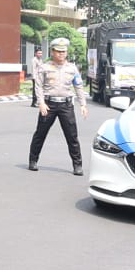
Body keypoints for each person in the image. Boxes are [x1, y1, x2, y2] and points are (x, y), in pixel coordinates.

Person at [28, 36, 88, 175]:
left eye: (63, 51)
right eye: (58, 51)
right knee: (40, 134)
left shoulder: (72, 68)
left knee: (72, 136)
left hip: (66, 105)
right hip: (49, 105)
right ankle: (33, 160)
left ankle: (77, 165)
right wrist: (41, 103)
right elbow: (38, 86)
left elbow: (78, 86)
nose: (61, 54)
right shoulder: (45, 67)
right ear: (52, 52)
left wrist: (83, 104)